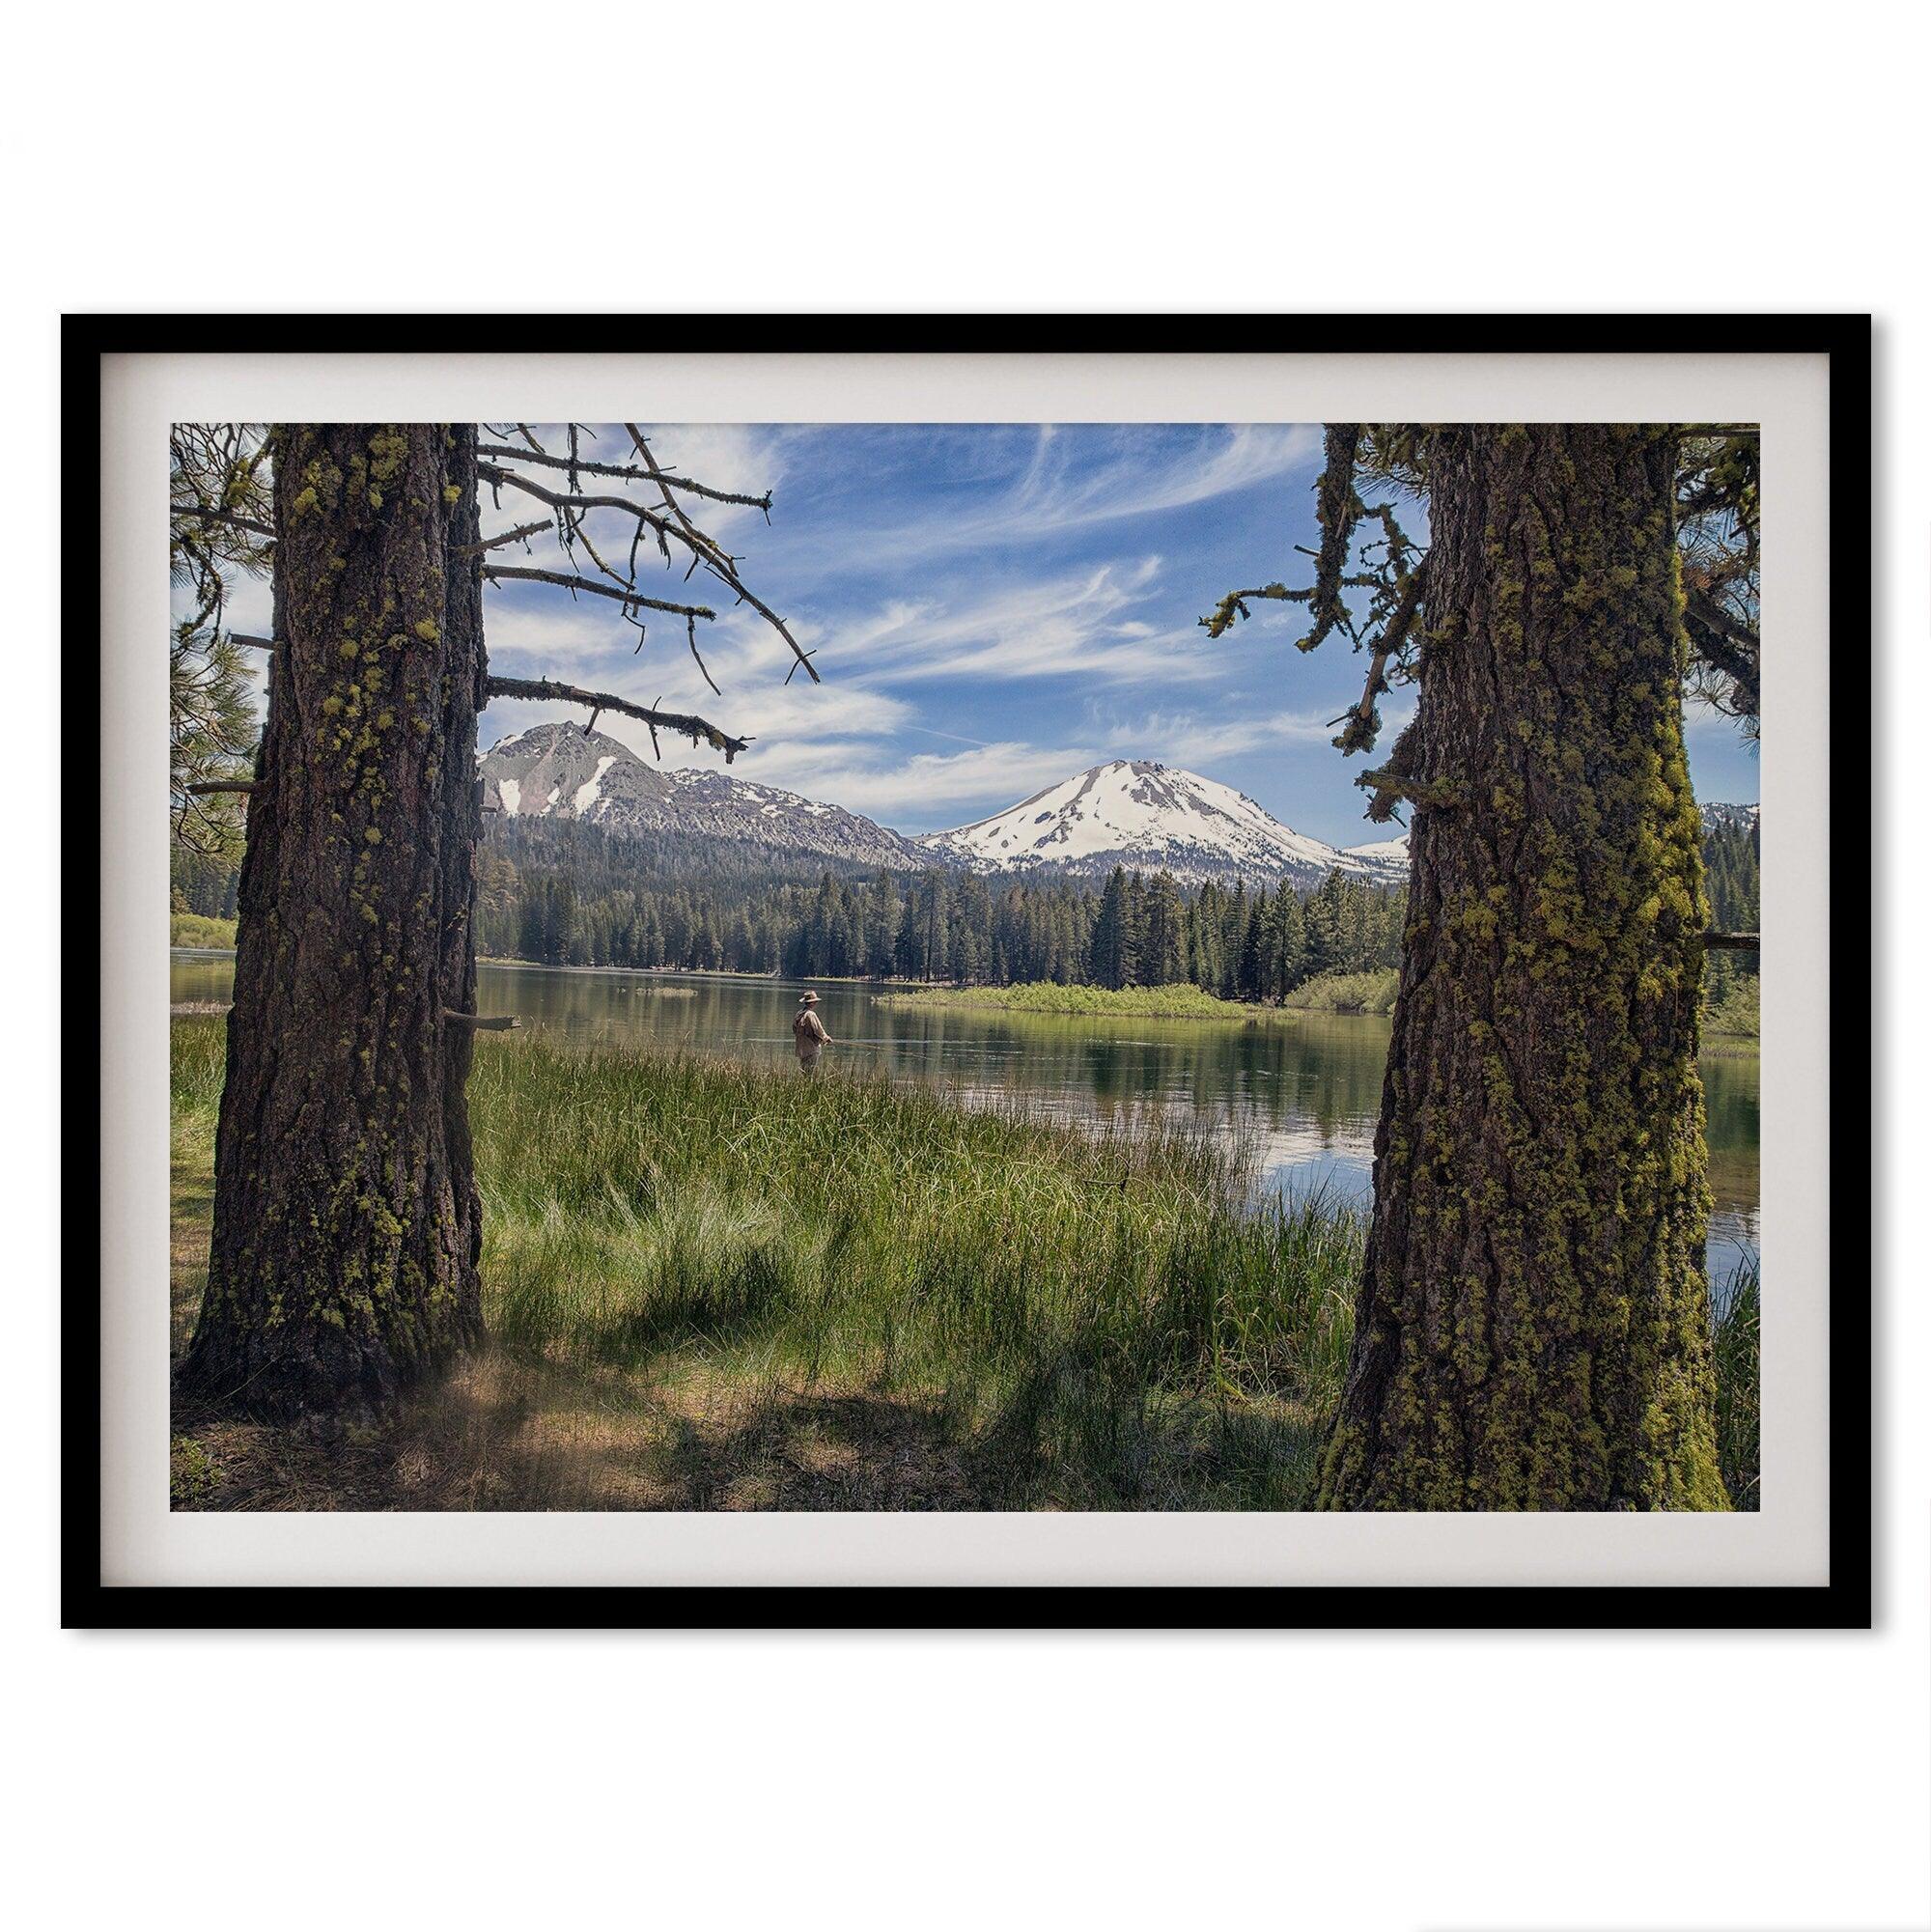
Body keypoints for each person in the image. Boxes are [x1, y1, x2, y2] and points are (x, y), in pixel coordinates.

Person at [793, 990, 832, 1073]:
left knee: (804, 1072)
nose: (816, 1003)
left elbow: (794, 1029)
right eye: (815, 1002)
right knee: (810, 1073)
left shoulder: (799, 1013)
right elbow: (818, 1029)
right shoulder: (811, 1014)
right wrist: (826, 1038)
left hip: (801, 1048)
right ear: (812, 1003)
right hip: (811, 1048)